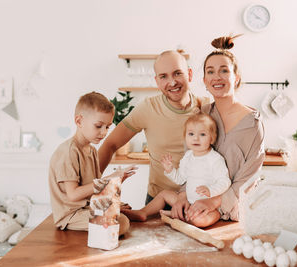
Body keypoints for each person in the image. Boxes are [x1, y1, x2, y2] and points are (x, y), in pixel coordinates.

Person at [170, 35, 265, 223]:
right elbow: (190, 160)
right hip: (198, 206)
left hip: (237, 212)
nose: (217, 77)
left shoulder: (253, 123)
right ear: (205, 81)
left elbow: (250, 176)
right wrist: (182, 195)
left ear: (236, 78)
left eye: (224, 71)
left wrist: (216, 201)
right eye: (210, 72)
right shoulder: (201, 115)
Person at [99, 50, 209, 207]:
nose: (172, 82)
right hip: (159, 202)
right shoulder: (148, 108)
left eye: (177, 73)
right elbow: (110, 144)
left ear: (189, 74)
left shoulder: (206, 107)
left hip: (198, 201)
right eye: (164, 76)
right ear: (157, 81)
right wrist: (91, 187)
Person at [48, 92, 137, 235]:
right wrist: (108, 179)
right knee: (122, 222)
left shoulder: (92, 151)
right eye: (98, 126)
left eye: (107, 127)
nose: (104, 132)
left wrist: (116, 181)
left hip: (88, 207)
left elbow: (94, 189)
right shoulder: (68, 152)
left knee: (124, 211)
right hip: (72, 216)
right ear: (79, 121)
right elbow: (73, 195)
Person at [122, 113, 231, 227]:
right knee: (164, 194)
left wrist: (210, 190)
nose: (196, 138)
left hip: (208, 205)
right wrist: (170, 170)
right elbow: (180, 179)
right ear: (185, 137)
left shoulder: (215, 159)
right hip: (188, 201)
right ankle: (143, 212)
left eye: (202, 134)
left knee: (200, 220)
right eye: (191, 134)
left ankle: (178, 216)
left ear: (212, 138)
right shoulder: (188, 157)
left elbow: (225, 181)